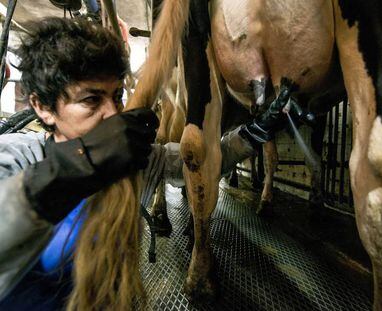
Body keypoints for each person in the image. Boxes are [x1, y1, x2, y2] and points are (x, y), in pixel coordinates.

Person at [0, 17, 296, 310]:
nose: (113, 114)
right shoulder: (16, 158)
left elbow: (199, 165)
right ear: (43, 107)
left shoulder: (135, 164)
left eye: (116, 96)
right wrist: (80, 163)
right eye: (91, 100)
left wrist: (254, 132)